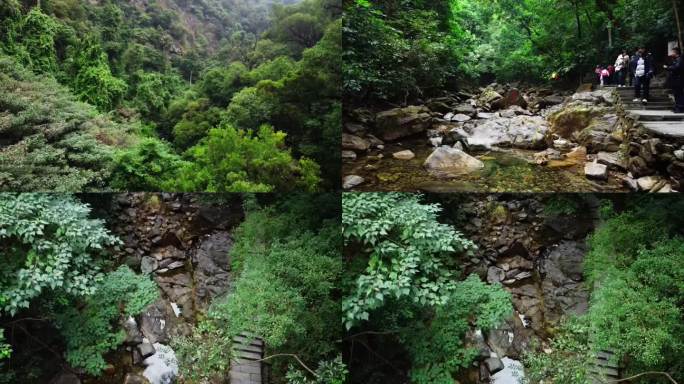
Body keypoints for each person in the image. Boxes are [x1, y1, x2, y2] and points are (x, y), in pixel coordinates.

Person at [664, 47, 684, 113]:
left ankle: (680, 107)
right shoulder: (675, 59)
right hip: (675, 79)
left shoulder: (680, 59)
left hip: (679, 79)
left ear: (676, 52)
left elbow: (677, 67)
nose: (671, 53)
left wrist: (667, 67)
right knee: (676, 93)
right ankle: (677, 106)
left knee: (679, 94)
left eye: (673, 52)